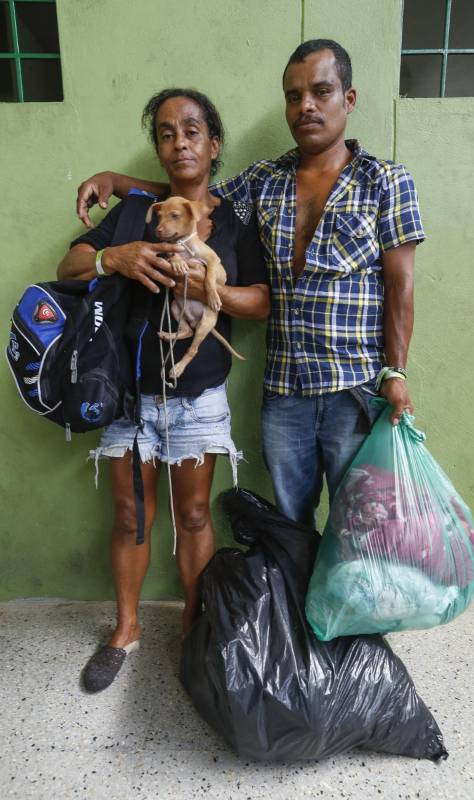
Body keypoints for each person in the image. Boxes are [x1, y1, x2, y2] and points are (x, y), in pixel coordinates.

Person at [76, 39, 424, 531]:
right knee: (291, 522)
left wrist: (397, 372)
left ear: (348, 99)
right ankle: (298, 611)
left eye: (321, 92)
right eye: (293, 95)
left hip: (355, 387)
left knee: (361, 525)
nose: (305, 106)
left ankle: (347, 611)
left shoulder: (387, 180)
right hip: (283, 389)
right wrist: (117, 181)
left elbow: (401, 285)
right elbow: (193, 192)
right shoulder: (266, 179)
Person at [58, 88, 270, 691]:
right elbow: (69, 267)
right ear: (159, 147)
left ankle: (194, 632)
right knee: (130, 515)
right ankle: (125, 629)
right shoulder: (137, 212)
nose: (180, 142)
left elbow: (260, 300)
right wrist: (113, 259)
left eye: (193, 131)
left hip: (197, 396)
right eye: (167, 133)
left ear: (214, 143)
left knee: (196, 514)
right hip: (127, 393)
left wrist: (209, 290)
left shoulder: (230, 220)